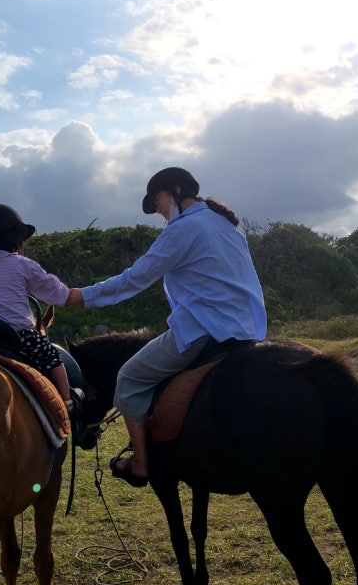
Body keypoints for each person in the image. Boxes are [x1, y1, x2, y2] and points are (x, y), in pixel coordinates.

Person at [66, 167, 267, 487]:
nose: (157, 209)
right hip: (245, 330)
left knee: (129, 378)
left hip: (205, 330)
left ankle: (141, 464)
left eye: (157, 200)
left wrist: (82, 296)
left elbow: (135, 278)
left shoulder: (183, 229)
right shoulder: (227, 225)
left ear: (175, 190)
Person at [0, 203, 78, 413]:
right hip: (16, 332)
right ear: (13, 238)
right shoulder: (22, 264)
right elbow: (54, 293)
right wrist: (68, 294)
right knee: (52, 358)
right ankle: (66, 403)